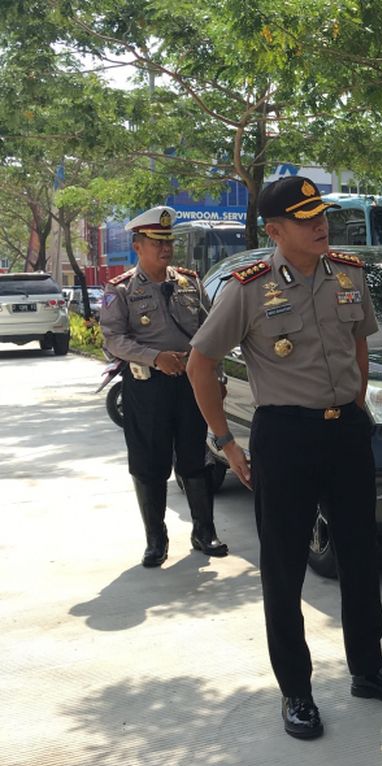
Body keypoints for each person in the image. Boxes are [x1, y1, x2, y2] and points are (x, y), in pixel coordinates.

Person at [187, 177, 382, 740]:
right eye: (304, 218)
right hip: (285, 437)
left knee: (361, 558)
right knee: (285, 568)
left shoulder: (349, 274)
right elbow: (200, 362)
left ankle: (368, 668)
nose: (319, 224)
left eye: (320, 213)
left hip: (345, 430)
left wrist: (357, 404)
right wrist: (224, 440)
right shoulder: (247, 288)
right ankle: (296, 689)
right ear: (275, 230)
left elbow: (360, 344)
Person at [99, 205, 227, 568]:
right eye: (156, 241)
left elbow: (211, 331)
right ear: (138, 245)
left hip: (190, 385)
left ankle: (204, 532)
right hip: (147, 389)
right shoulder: (121, 289)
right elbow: (113, 340)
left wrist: (216, 378)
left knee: (195, 460)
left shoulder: (189, 282)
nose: (165, 248)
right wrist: (155, 357)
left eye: (168, 240)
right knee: (149, 464)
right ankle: (156, 540)